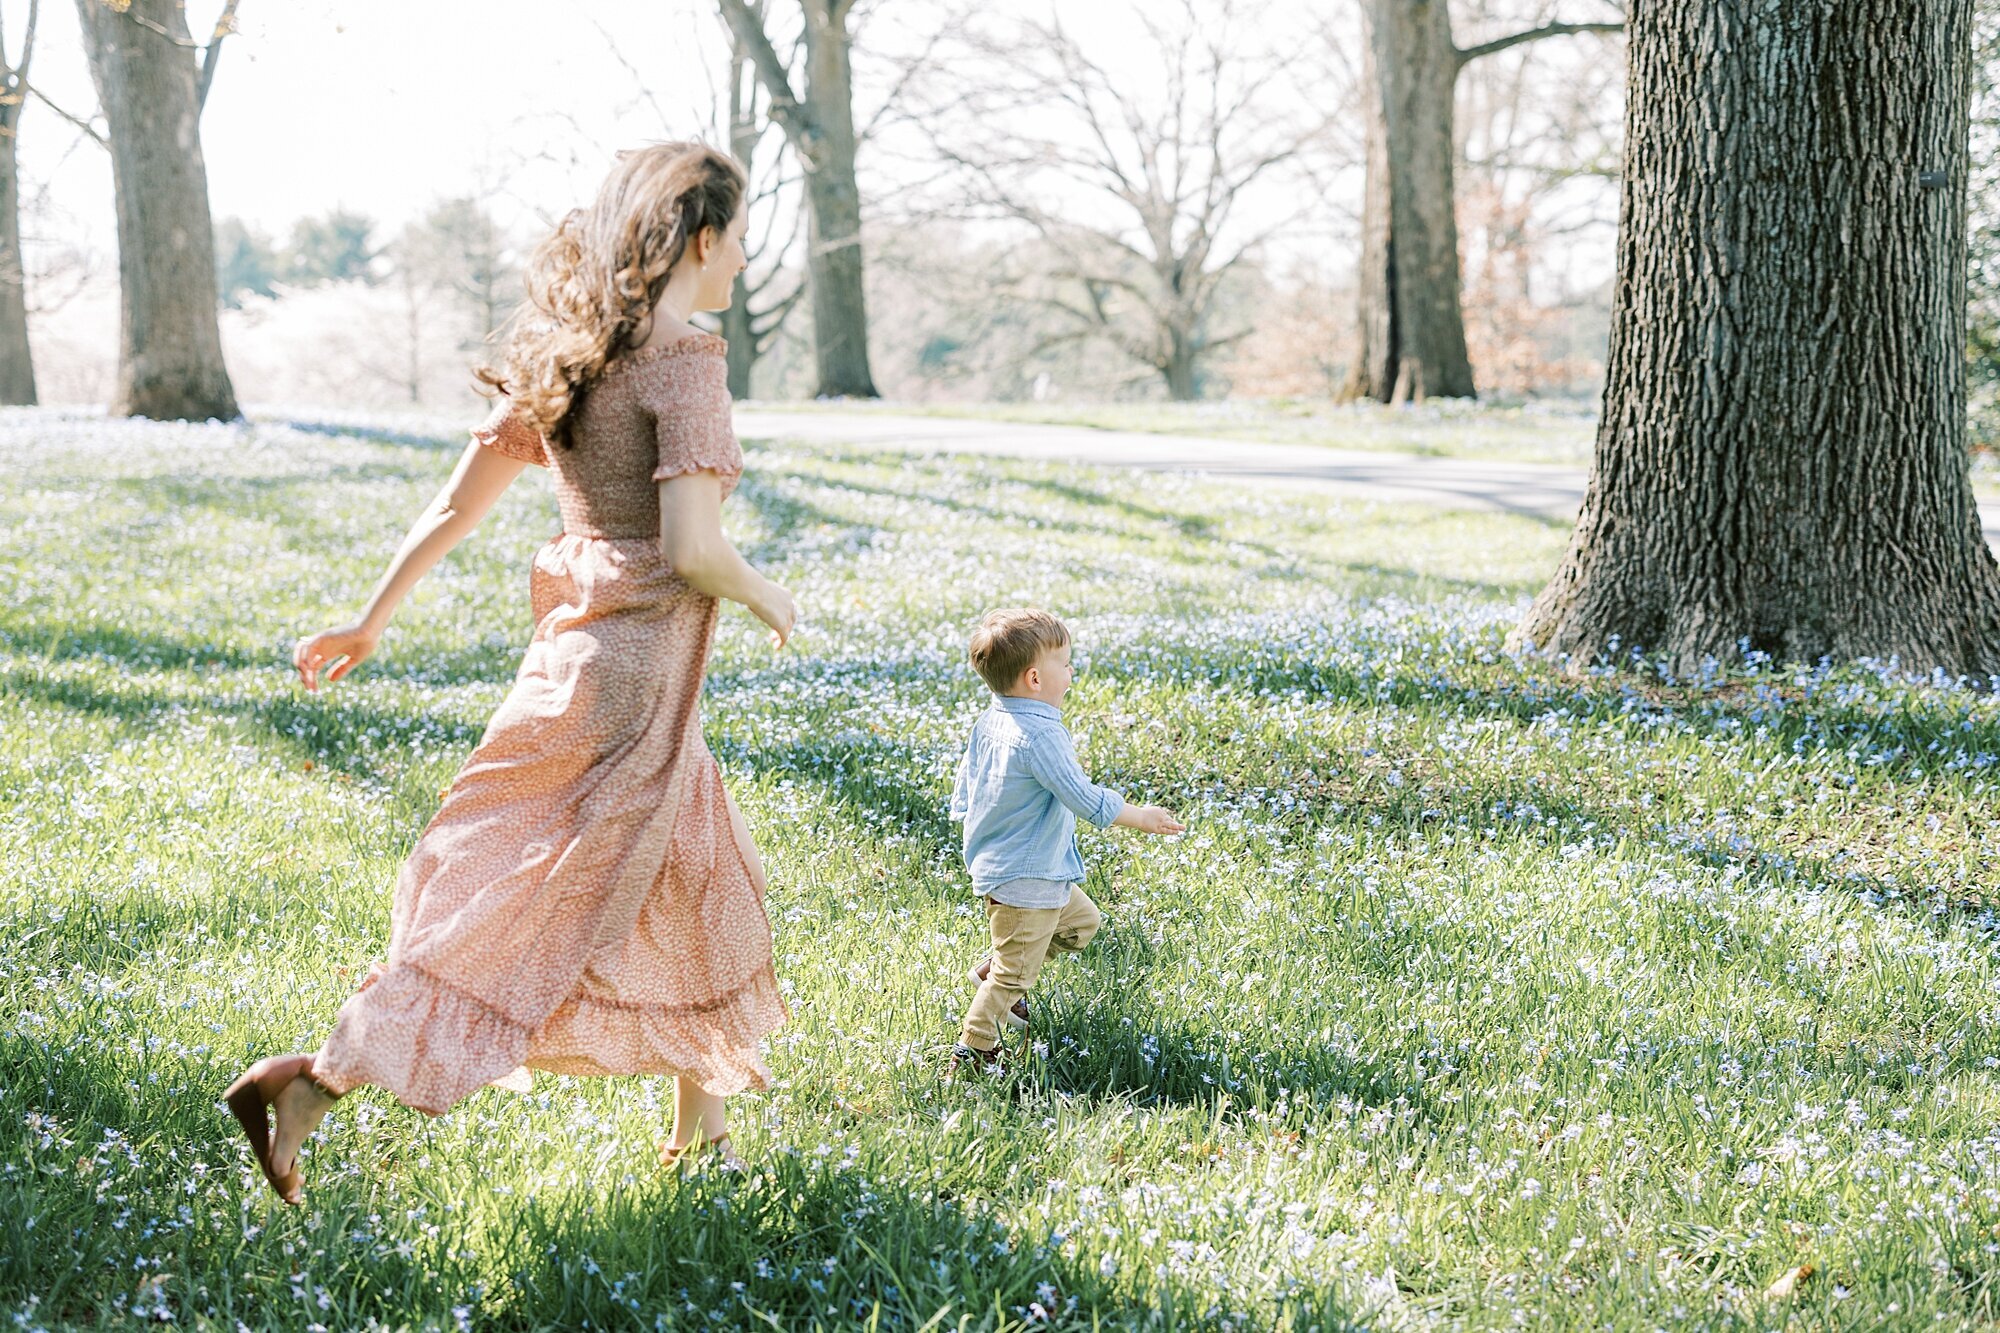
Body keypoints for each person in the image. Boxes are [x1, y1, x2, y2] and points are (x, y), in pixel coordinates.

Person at [225, 143, 795, 1205]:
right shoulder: (686, 359)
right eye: (743, 239)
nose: (744, 261)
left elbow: (455, 505)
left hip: (577, 660)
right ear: (703, 238)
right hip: (634, 675)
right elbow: (693, 547)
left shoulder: (571, 353)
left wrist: (368, 618)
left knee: (693, 868)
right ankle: (319, 1076)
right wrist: (764, 591)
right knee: (530, 902)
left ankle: (702, 1141)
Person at [947, 608, 1185, 1074]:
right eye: (1066, 662)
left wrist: (972, 826)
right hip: (1026, 877)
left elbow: (967, 782)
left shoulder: (992, 719)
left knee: (1082, 924)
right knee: (1014, 975)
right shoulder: (1041, 735)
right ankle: (975, 1049)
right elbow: (1079, 795)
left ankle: (990, 974)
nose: (1072, 670)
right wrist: (1140, 817)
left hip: (1024, 866)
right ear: (1035, 678)